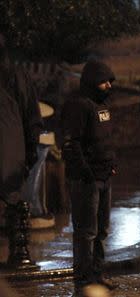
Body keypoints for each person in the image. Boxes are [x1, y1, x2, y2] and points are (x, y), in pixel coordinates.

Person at [61, 60, 117, 294]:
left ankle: (97, 273)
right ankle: (84, 279)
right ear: (92, 82)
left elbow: (105, 139)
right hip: (87, 180)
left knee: (102, 230)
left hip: (104, 176)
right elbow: (71, 143)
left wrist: (111, 165)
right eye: (104, 82)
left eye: (109, 81)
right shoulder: (78, 105)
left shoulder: (101, 106)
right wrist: (86, 171)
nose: (108, 86)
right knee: (86, 231)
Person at [0, 33, 42, 265]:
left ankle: (19, 251)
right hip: (12, 150)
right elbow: (31, 116)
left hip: (10, 148)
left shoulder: (16, 76)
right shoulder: (17, 75)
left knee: (14, 201)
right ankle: (20, 253)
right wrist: (30, 149)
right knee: (15, 200)